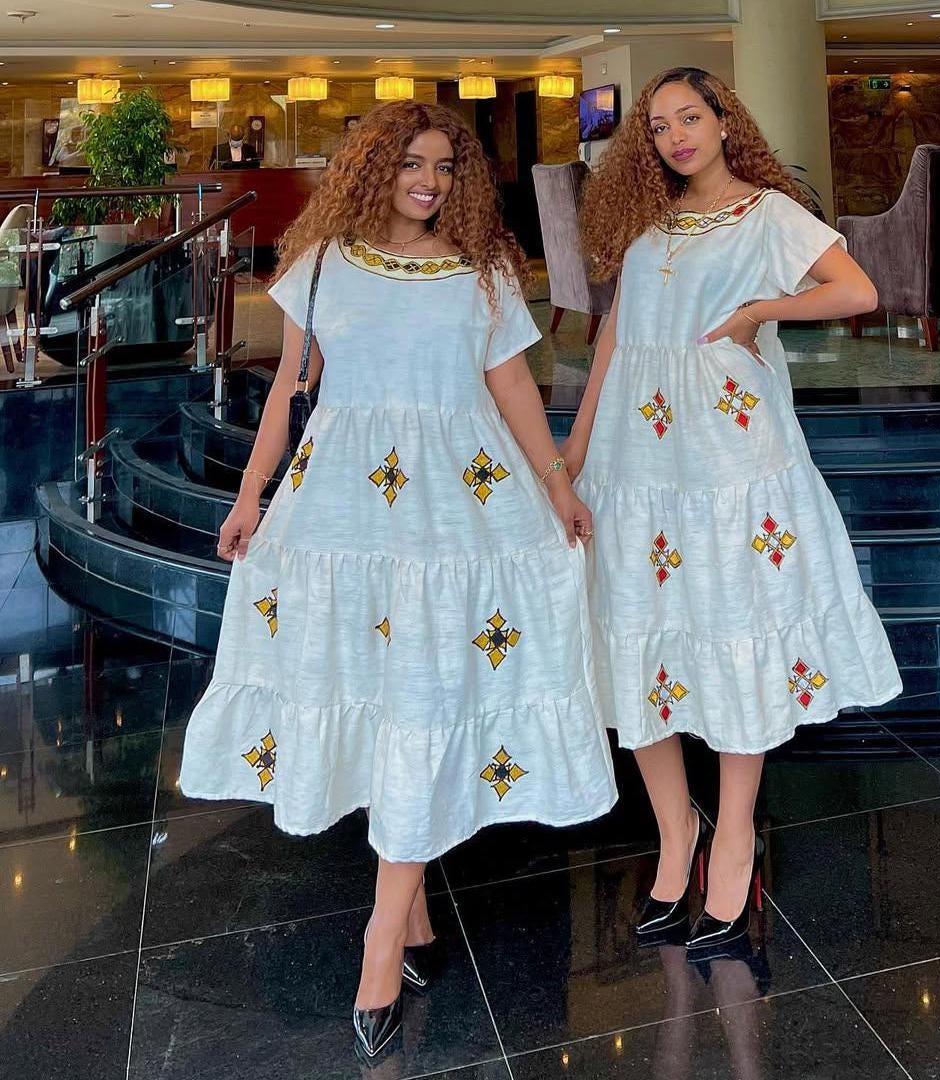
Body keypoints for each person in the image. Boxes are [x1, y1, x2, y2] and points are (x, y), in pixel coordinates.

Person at [179, 101, 617, 1059]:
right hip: (344, 506)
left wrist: (555, 481)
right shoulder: (322, 264)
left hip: (460, 507)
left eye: (447, 167)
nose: (430, 182)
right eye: (413, 163)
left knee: (422, 694)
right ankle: (410, 911)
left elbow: (510, 384)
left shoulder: (481, 269)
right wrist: (250, 496)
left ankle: (383, 935)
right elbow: (290, 386)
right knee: (378, 693)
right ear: (376, 167)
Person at [567, 67, 902, 954]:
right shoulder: (649, 220)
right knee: (637, 629)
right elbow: (614, 335)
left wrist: (761, 309)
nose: (676, 135)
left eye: (690, 117)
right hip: (636, 458)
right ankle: (676, 830)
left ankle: (736, 835)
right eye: (659, 125)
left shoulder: (767, 211)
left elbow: (856, 291)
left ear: (724, 122)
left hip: (730, 455)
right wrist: (577, 446)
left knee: (733, 624)